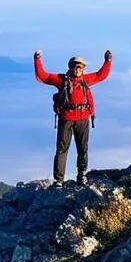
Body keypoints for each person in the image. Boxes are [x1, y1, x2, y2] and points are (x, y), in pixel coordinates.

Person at [34, 49, 112, 186]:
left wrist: (108, 60)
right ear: (70, 68)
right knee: (62, 149)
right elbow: (43, 76)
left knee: (82, 149)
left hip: (82, 119)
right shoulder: (61, 80)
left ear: (83, 69)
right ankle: (59, 180)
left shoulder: (86, 80)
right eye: (75, 66)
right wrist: (37, 59)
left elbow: (101, 75)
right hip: (67, 118)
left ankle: (81, 175)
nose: (77, 69)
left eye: (80, 67)